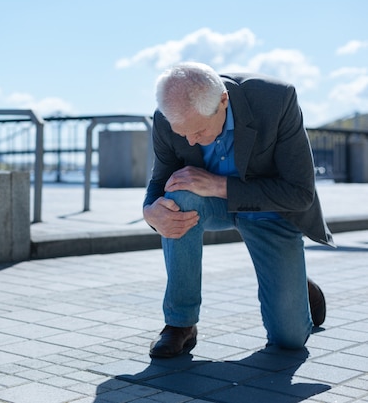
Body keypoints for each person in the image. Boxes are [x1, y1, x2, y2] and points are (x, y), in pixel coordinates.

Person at [143, 62, 333, 358]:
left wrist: (220, 185)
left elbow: (300, 193)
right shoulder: (169, 118)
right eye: (183, 134)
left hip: (271, 209)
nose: (190, 141)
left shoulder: (276, 100)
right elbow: (159, 181)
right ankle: (180, 324)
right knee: (177, 197)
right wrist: (150, 212)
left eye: (199, 131)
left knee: (290, 340)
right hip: (211, 205)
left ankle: (297, 285)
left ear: (223, 101)